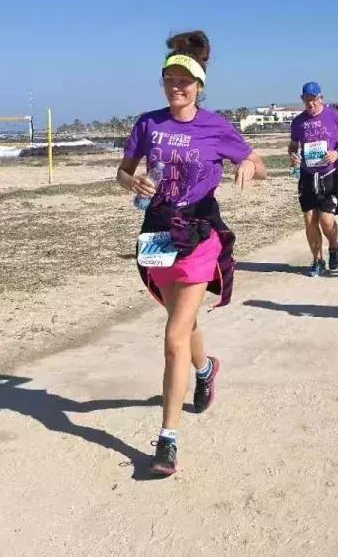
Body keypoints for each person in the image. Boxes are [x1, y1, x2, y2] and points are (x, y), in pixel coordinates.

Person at [118, 30, 267, 476]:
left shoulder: (215, 126)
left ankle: (167, 440)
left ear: (199, 85)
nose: (177, 87)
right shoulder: (148, 124)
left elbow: (257, 163)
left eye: (185, 81)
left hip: (200, 233)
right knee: (182, 323)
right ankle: (204, 371)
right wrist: (132, 181)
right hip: (158, 231)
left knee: (172, 338)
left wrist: (247, 164)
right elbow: (123, 172)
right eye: (170, 79)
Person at [289, 82, 338, 277]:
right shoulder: (298, 122)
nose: (311, 103)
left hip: (328, 174)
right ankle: (317, 260)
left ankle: (333, 247)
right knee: (310, 220)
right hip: (307, 175)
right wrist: (293, 156)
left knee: (326, 221)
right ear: (302, 100)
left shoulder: (334, 116)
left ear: (321, 98)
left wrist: (337, 152)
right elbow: (293, 145)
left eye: (314, 99)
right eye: (307, 100)